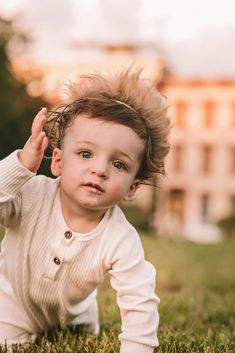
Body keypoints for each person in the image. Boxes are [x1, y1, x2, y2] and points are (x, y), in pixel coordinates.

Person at [0, 69, 170, 353]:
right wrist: (20, 166)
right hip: (11, 304)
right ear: (57, 162)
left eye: (119, 164)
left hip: (77, 317)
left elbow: (138, 297)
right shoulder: (31, 195)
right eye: (86, 154)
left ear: (131, 188)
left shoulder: (120, 237)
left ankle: (78, 323)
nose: (100, 169)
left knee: (81, 335)